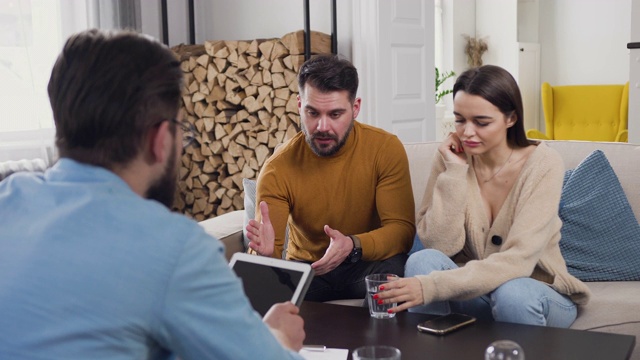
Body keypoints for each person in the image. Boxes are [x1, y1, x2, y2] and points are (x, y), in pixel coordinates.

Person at [0, 29, 305, 359]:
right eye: (181, 130)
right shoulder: (176, 249)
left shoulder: (8, 198)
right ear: (160, 139)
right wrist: (277, 337)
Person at [375, 65, 591, 327]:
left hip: (533, 292)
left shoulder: (544, 164)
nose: (467, 132)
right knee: (422, 260)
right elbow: (439, 246)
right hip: (474, 293)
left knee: (513, 292)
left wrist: (430, 286)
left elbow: (518, 261)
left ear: (511, 118)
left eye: (481, 122)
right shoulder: (450, 158)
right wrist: (455, 172)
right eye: (459, 119)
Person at [245, 55, 416, 302]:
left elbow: (402, 232)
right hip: (309, 271)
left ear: (355, 108)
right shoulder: (277, 168)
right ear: (298, 105)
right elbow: (265, 265)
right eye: (312, 113)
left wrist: (353, 245)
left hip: (366, 263)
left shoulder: (385, 149)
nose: (322, 126)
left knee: (397, 274)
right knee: (263, 294)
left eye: (335, 114)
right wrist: (265, 254)